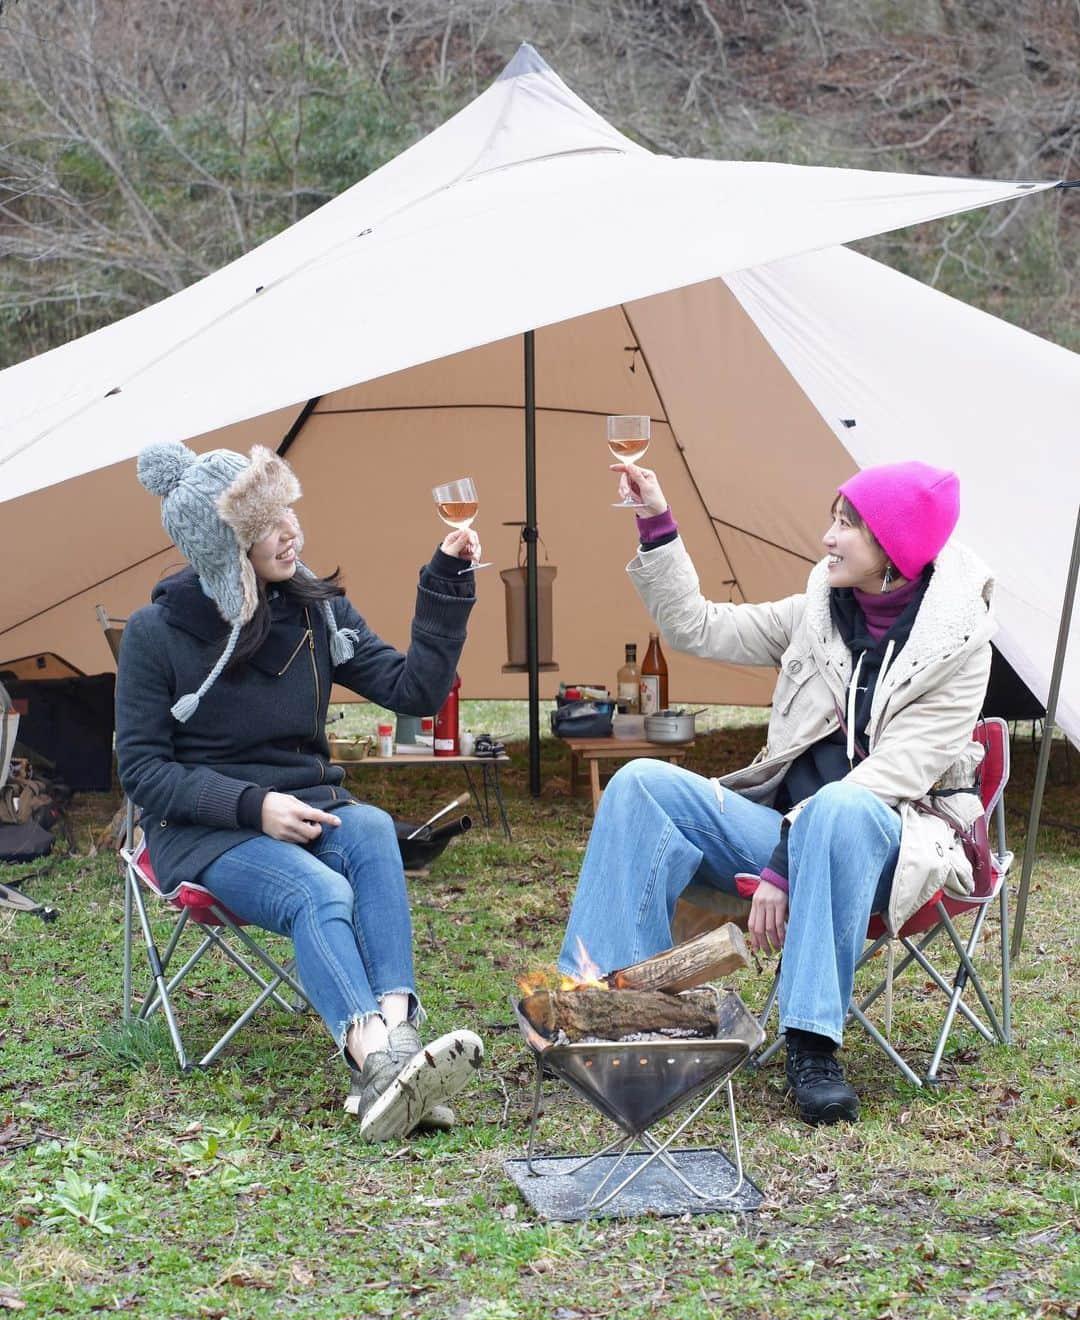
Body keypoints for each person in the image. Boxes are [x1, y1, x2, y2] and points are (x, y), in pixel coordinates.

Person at [559, 458, 994, 1125]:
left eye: (847, 525)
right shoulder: (819, 611)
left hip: (888, 847)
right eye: (834, 518)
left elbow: (892, 776)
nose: (827, 537)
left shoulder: (960, 645)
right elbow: (697, 628)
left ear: (894, 550)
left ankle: (813, 1046)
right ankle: (605, 1009)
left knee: (844, 807)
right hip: (784, 837)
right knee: (641, 783)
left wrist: (783, 864)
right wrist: (657, 523)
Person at [116, 440, 485, 1141]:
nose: (292, 531)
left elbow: (416, 690)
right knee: (319, 893)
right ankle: (375, 1062)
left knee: (373, 828)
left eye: (288, 511)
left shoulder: (313, 609)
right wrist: (255, 807)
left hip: (310, 806)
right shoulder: (155, 634)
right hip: (205, 828)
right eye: (267, 524)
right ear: (225, 545)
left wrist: (445, 580)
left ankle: (402, 1043)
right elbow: (144, 774)